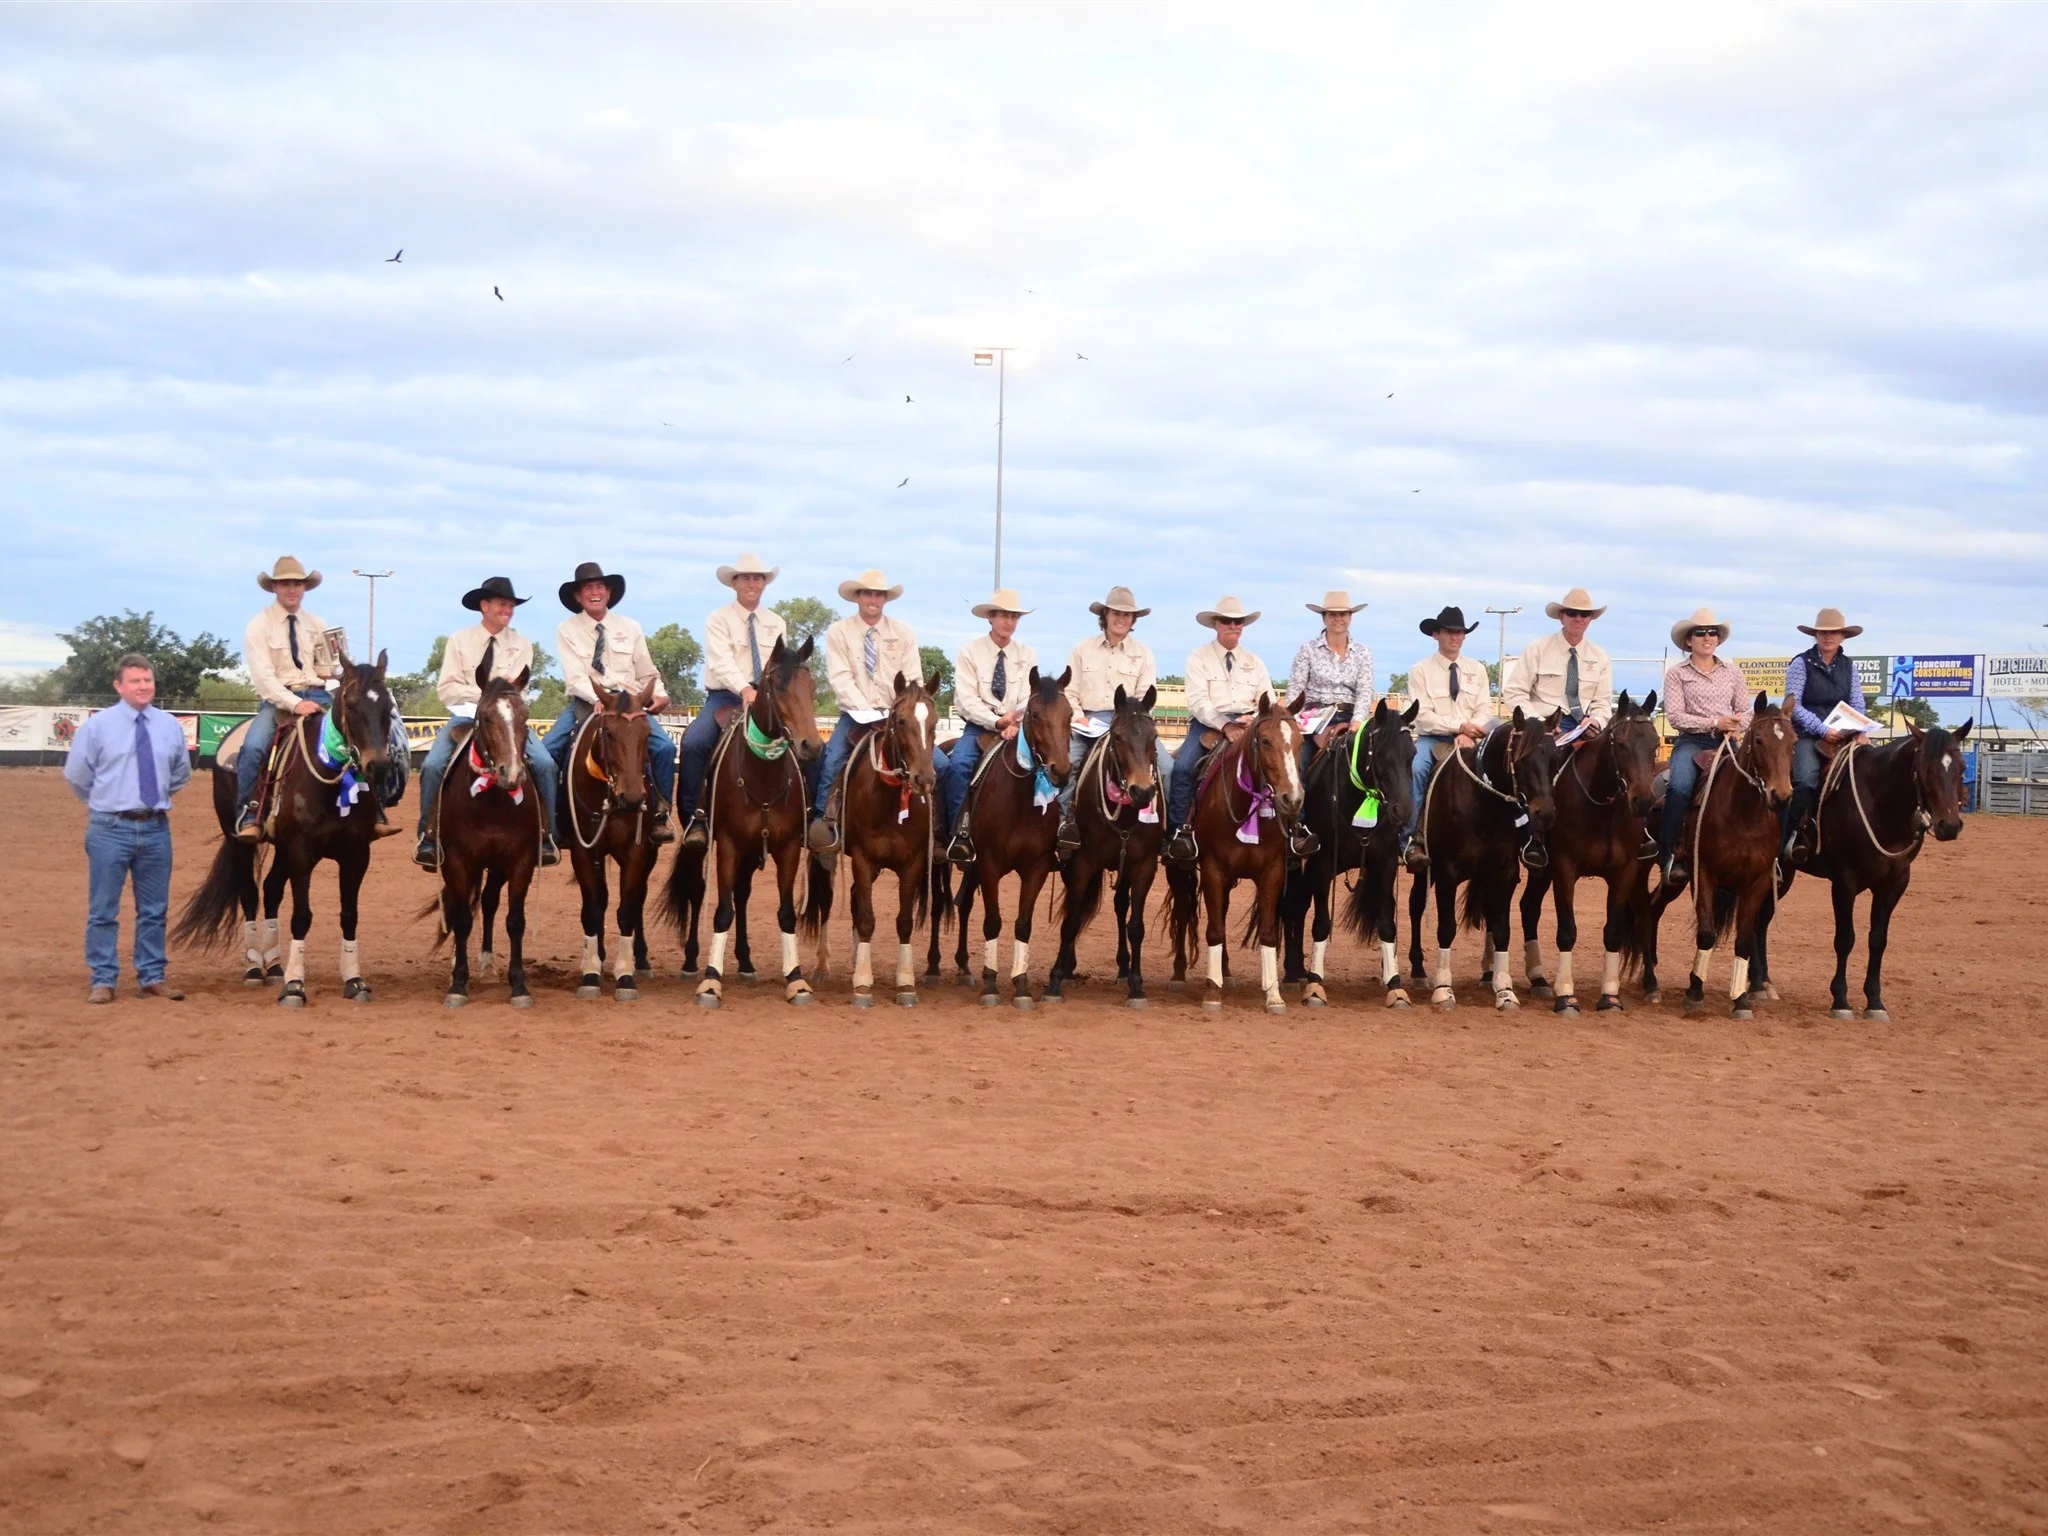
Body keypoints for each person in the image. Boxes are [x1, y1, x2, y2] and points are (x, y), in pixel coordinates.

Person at [235, 556, 406, 842]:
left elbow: (324, 668)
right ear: (275, 587)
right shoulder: (258, 626)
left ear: (305, 588)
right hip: (278, 701)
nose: (292, 589)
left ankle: (375, 810)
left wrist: (344, 673)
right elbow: (264, 677)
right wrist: (294, 703)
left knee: (359, 733)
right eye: (286, 583)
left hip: (317, 694)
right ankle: (250, 814)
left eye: (298, 584)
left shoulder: (317, 624)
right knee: (253, 748)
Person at [64, 653, 192, 1003]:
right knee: (103, 909)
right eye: (135, 681)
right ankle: (103, 979)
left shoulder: (168, 725)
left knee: (154, 909)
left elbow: (181, 772)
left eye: (148, 680)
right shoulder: (97, 726)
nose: (143, 686)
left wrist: (152, 799)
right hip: (109, 827)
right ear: (119, 685)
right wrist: (109, 801)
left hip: (155, 828)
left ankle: (151, 976)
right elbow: (77, 775)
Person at [413, 576, 560, 869]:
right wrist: (487, 695)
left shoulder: (522, 645)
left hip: (507, 720)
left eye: (511, 605)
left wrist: (497, 695)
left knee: (545, 765)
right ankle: (429, 836)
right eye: (502, 604)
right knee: (432, 766)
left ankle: (546, 836)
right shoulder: (459, 641)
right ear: (484, 605)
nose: (507, 610)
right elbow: (447, 687)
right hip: (466, 716)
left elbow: (520, 691)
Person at [542, 560, 677, 843]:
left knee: (664, 748)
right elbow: (575, 676)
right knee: (547, 753)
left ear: (609, 593)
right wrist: (596, 698)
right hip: (588, 701)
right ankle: (551, 824)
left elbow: (647, 671)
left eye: (600, 586)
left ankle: (660, 814)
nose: (595, 592)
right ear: (578, 596)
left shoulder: (630, 627)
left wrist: (660, 693)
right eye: (588, 587)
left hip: (630, 701)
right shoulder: (567, 629)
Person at [807, 568, 919, 860]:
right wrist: (868, 714)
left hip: (897, 716)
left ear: (885, 600)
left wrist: (895, 712)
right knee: (831, 760)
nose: (873, 599)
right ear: (857, 597)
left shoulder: (903, 633)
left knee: (939, 765)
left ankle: (937, 831)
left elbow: (913, 680)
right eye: (868, 593)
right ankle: (825, 823)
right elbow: (841, 678)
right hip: (855, 715)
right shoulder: (839, 632)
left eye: (879, 594)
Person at [680, 553, 788, 849]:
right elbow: (721, 661)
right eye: (746, 578)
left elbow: (783, 667)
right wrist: (744, 689)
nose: (753, 583)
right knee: (695, 743)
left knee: (806, 745)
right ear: (734, 583)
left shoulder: (776, 623)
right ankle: (695, 820)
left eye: (758, 578)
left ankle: (805, 817)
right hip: (725, 696)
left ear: (764, 584)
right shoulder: (718, 619)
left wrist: (769, 694)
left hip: (767, 700)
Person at [1057, 585, 1174, 855]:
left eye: (1127, 615)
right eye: (1116, 613)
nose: (1121, 619)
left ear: (1134, 620)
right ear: (1105, 615)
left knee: (1167, 769)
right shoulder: (1082, 649)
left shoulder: (1144, 654)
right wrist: (1078, 717)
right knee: (1069, 766)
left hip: (1131, 724)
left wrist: (1137, 723)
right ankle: (1066, 823)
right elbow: (1070, 692)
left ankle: (1168, 832)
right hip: (1089, 720)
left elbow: (1146, 697)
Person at [1165, 596, 1275, 866]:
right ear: (1215, 623)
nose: (1233, 626)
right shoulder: (1198, 657)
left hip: (1249, 725)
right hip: (1208, 724)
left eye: (1238, 621)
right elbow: (1198, 701)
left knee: (1278, 768)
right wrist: (1225, 725)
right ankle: (1179, 833)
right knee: (1182, 769)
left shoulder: (1254, 661)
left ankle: (1288, 833)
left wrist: (1255, 720)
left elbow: (1269, 699)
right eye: (1227, 621)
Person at [941, 588, 1037, 865]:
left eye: (1014, 617)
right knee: (958, 766)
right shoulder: (970, 652)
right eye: (1004, 615)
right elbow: (965, 698)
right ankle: (958, 834)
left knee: (1046, 769)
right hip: (979, 728)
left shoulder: (1027, 654)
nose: (1009, 622)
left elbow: (1029, 695)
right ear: (991, 618)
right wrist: (997, 721)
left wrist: (1015, 721)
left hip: (1017, 729)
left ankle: (1045, 835)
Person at [1658, 608, 1752, 886]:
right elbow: (1676, 717)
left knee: (1753, 787)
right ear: (1689, 640)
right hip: (1692, 742)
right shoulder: (1677, 674)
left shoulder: (1733, 673)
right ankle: (1669, 854)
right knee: (1679, 788)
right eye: (1700, 632)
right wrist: (1715, 722)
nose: (1707, 637)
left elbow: (1746, 710)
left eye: (1712, 632)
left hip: (1728, 742)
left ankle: (1760, 852)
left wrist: (1735, 725)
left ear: (1718, 639)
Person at [1401, 606, 1492, 873]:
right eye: (1450, 632)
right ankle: (1409, 840)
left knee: (1501, 771)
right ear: (1436, 634)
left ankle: (1512, 836)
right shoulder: (1421, 670)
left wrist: (1468, 731)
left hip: (1471, 739)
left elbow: (1485, 708)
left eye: (1460, 632)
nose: (1455, 637)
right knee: (1416, 769)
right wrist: (1458, 727)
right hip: (1434, 738)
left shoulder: (1478, 669)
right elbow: (1423, 715)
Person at [1782, 606, 1869, 865]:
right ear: (1815, 635)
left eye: (1834, 633)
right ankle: (1789, 836)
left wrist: (1860, 729)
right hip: (1808, 734)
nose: (1828, 637)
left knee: (1869, 771)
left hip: (1844, 733)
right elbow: (1793, 705)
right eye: (1823, 633)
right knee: (1806, 779)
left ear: (1843, 636)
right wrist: (1823, 729)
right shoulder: (1801, 663)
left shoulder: (1848, 666)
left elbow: (1857, 703)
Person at [1501, 585, 1614, 731]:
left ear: (1590, 618)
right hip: (1542, 725)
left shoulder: (1600, 657)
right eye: (1572, 613)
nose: (1579, 618)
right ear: (1561, 617)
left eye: (1585, 614)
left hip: (1584, 726)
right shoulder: (1537, 649)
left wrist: (1596, 721)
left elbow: (1602, 702)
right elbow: (1514, 692)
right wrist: (1539, 723)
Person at [1288, 589, 1373, 775]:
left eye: (1342, 614)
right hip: (1314, 717)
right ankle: (1297, 803)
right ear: (1324, 618)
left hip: (1349, 716)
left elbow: (1365, 690)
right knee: (1297, 765)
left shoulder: (1362, 652)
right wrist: (1295, 720)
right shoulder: (1308, 650)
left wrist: (1357, 720)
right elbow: (1295, 689)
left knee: (1376, 764)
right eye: (1332, 614)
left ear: (1350, 617)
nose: (1338, 619)